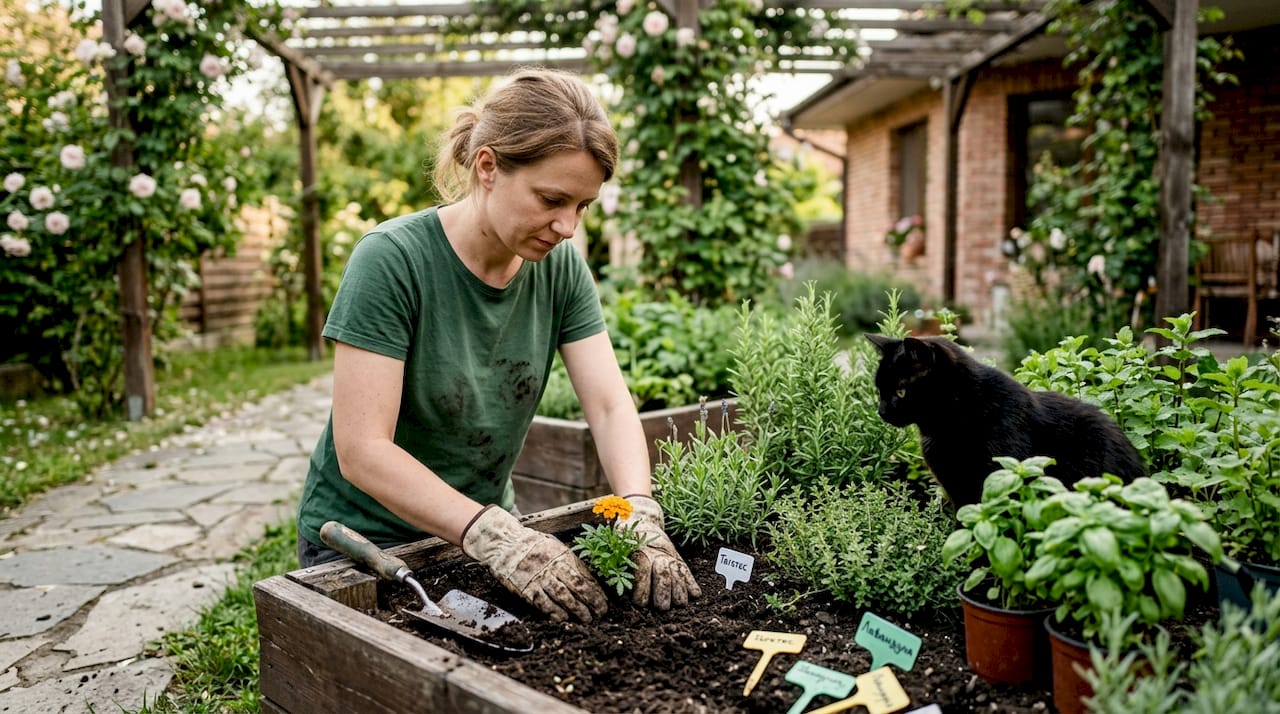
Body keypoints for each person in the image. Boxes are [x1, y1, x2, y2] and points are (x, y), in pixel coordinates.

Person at [294, 67, 701, 622]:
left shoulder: (561, 269)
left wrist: (639, 509)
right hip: (368, 544)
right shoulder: (391, 260)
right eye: (551, 199)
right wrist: (494, 537)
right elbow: (363, 449)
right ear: (487, 166)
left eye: (582, 206)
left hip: (487, 534)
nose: (567, 227)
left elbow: (608, 406)